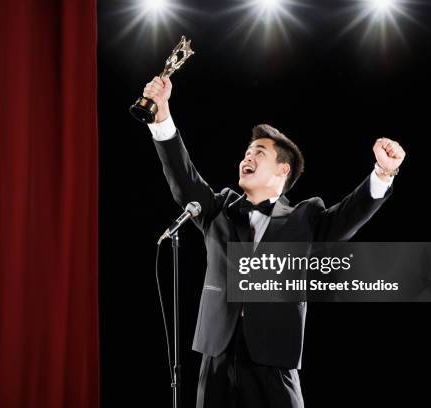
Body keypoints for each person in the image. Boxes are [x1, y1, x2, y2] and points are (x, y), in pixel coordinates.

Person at [143, 76, 406, 408]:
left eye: (259, 152)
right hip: (216, 356)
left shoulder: (305, 218)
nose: (246, 158)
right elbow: (184, 180)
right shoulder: (218, 209)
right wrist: (162, 116)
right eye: (246, 152)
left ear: (283, 169)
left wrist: (383, 173)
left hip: (274, 360)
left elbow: (346, 219)